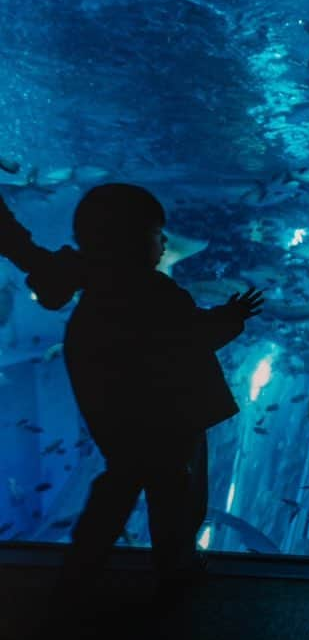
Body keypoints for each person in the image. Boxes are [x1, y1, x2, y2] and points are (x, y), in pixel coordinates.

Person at [0, 184, 264, 604]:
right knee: (172, 492)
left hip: (114, 410)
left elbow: (35, 263)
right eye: (158, 235)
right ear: (135, 241)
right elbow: (195, 336)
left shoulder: (90, 286)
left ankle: (80, 572)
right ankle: (174, 570)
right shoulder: (154, 292)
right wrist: (233, 317)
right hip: (168, 416)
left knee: (119, 482)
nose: (164, 244)